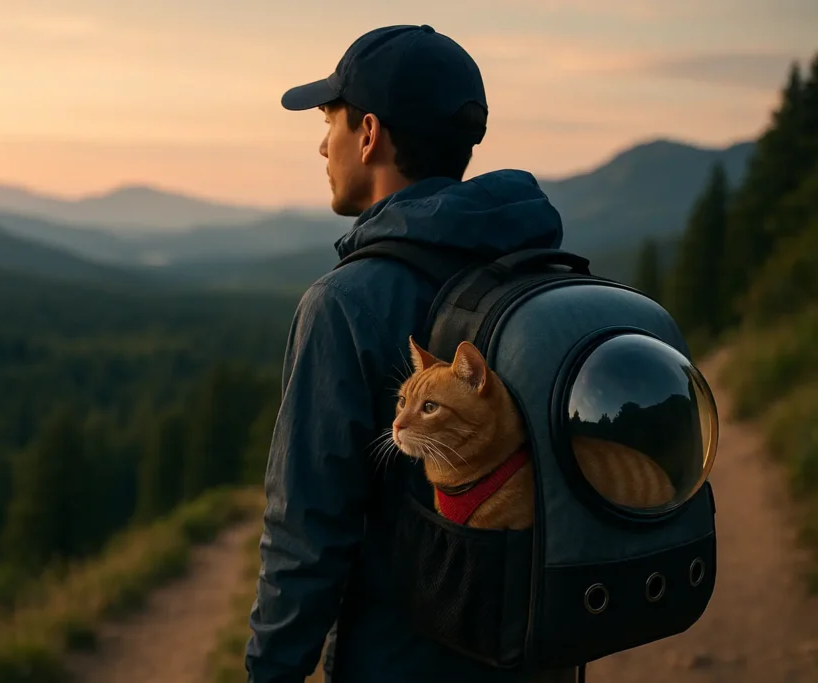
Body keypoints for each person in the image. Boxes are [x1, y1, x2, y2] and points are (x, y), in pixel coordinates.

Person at [245, 24, 576, 683]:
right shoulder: (537, 272)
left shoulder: (345, 302)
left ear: (369, 134)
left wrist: (270, 670)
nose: (322, 144)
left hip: (400, 660)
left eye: (331, 121)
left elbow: (305, 535)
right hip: (534, 653)